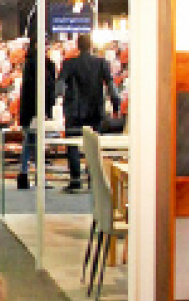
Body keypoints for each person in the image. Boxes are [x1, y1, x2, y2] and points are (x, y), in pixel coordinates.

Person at [57, 32, 118, 193]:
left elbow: (60, 87)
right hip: (95, 111)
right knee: (93, 146)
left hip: (74, 112)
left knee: (72, 146)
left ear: (77, 46)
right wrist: (116, 105)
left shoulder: (69, 64)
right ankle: (93, 179)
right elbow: (111, 87)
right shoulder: (101, 63)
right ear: (91, 46)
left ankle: (75, 180)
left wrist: (55, 102)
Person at [16, 37, 55, 190]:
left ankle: (24, 174)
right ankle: (38, 177)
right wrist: (44, 110)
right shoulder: (40, 64)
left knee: (29, 141)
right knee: (36, 142)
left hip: (30, 109)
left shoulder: (30, 62)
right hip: (36, 109)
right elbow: (43, 88)